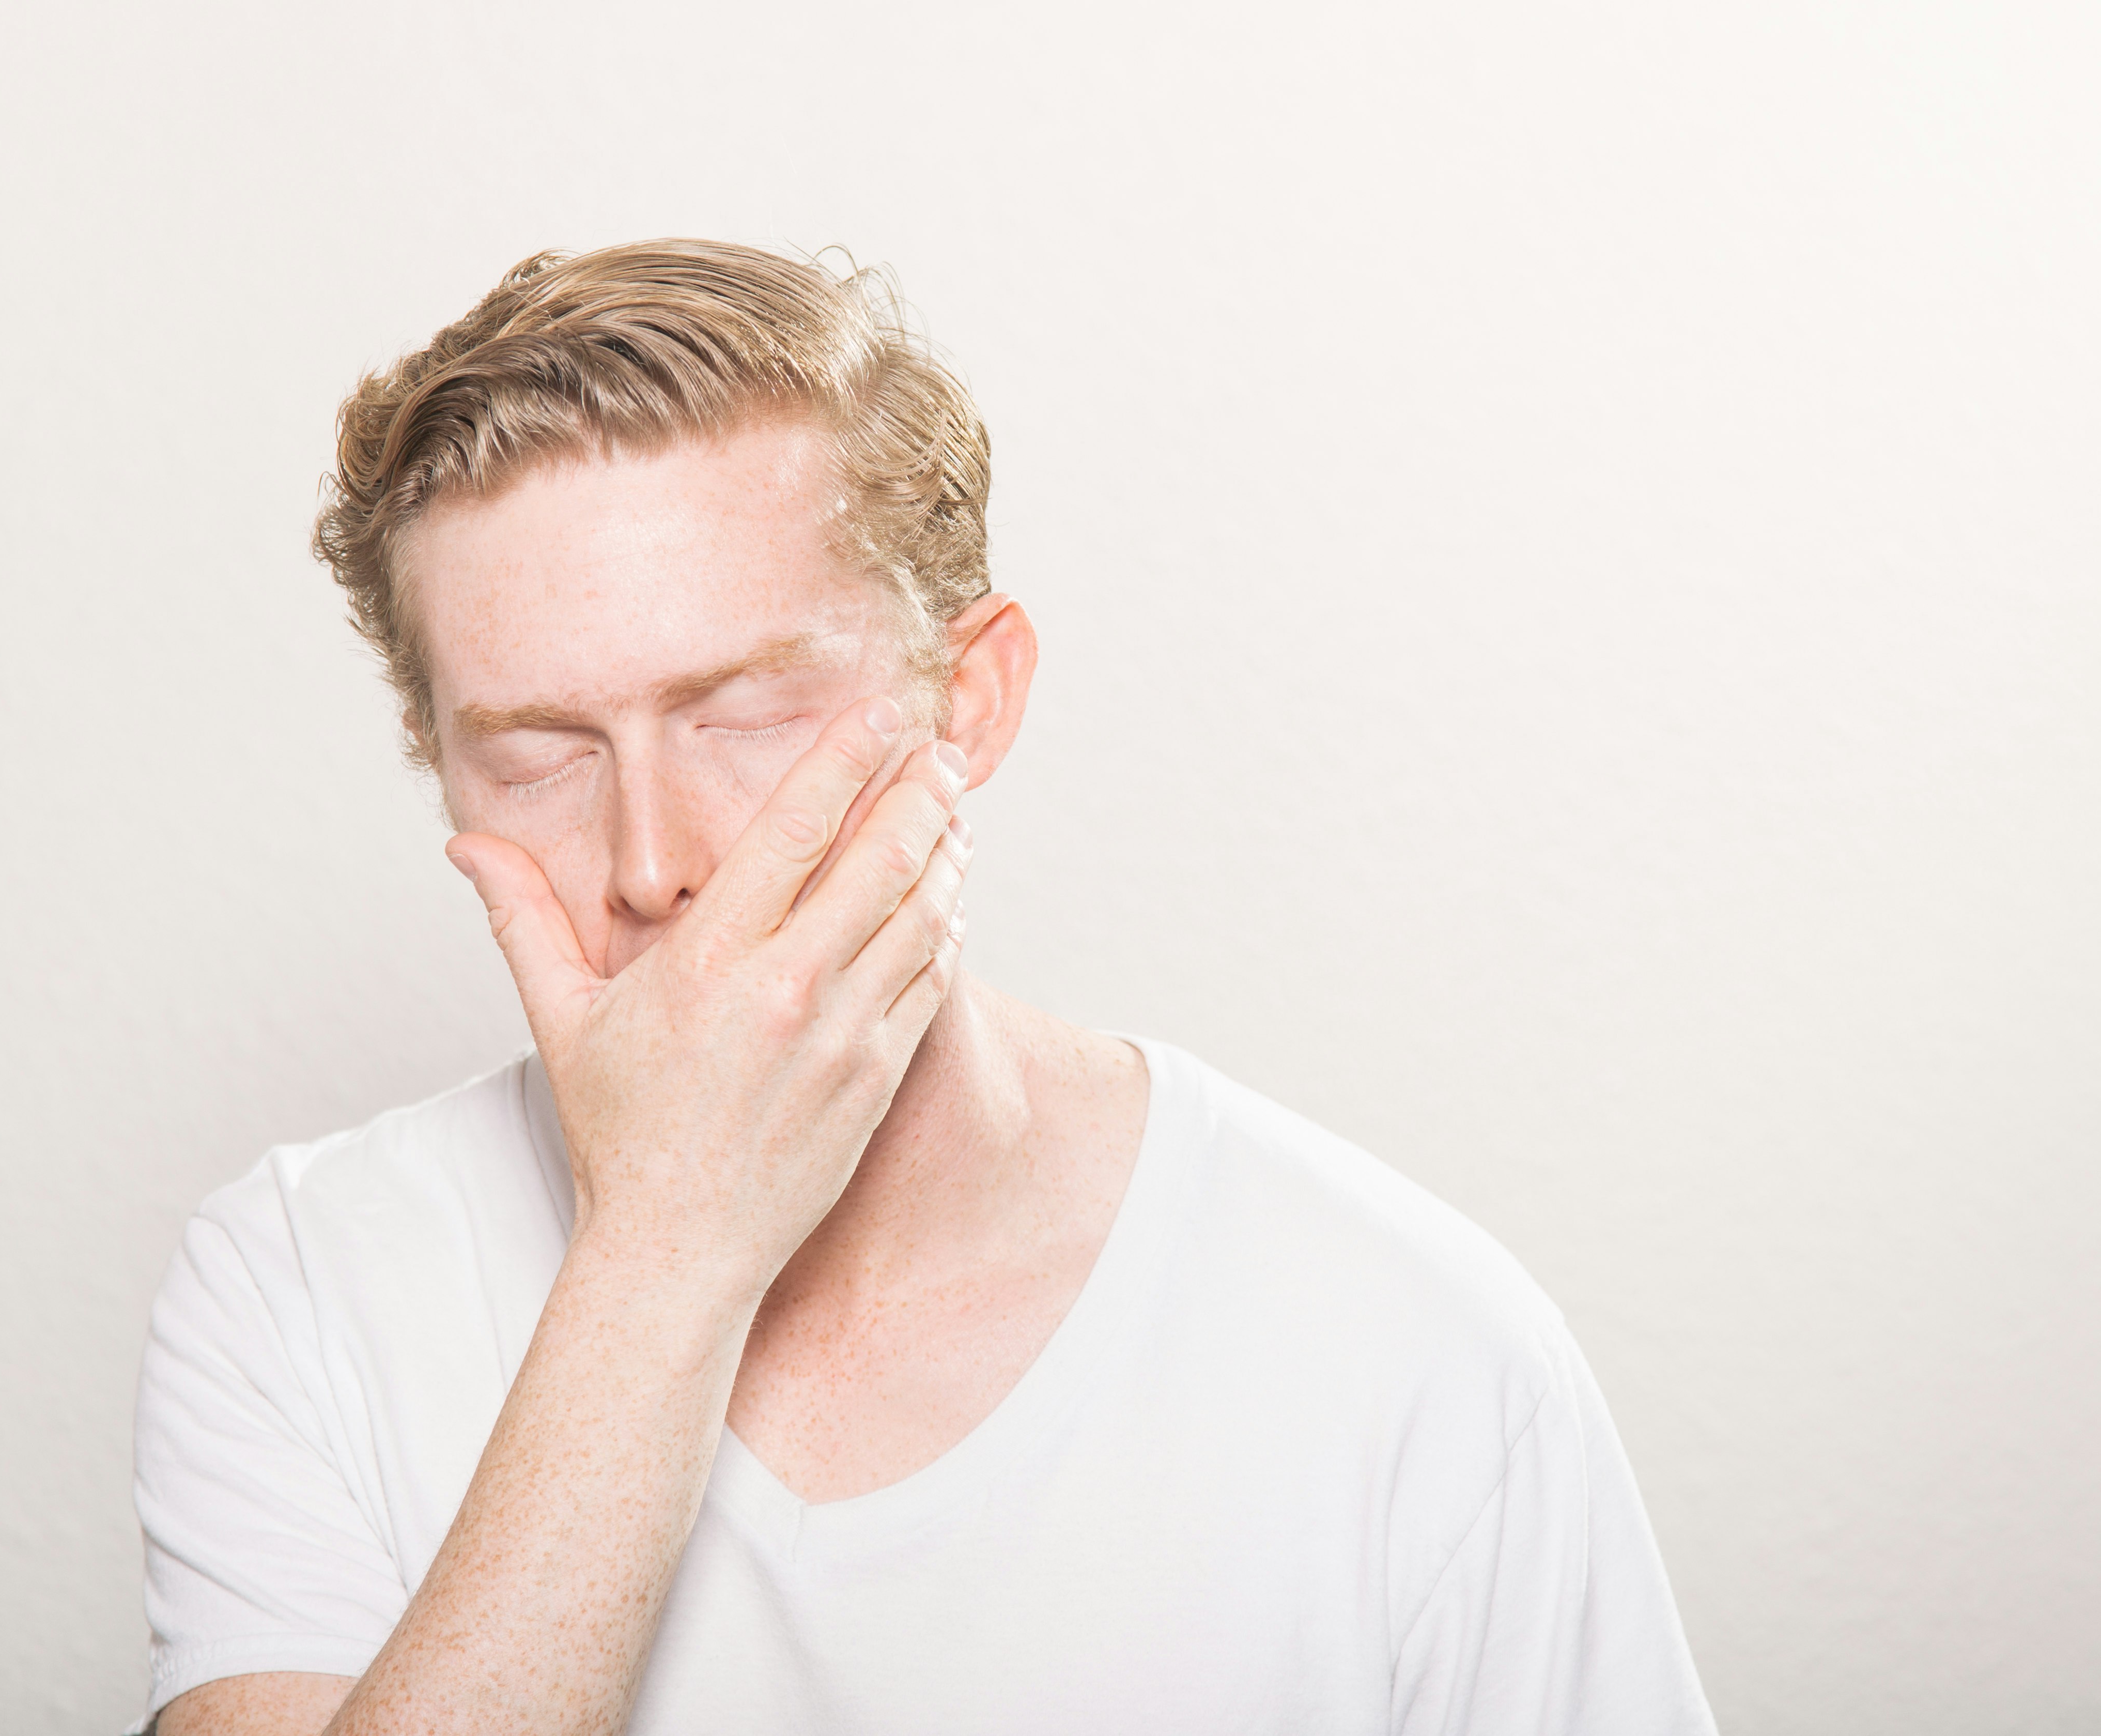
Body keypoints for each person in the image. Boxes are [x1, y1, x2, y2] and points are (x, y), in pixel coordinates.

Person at [130, 240, 1717, 1736]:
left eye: (742, 711)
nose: (651, 864)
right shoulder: (296, 1289)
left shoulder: (1421, 1351)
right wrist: (669, 1245)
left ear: (971, 700)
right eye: (538, 751)